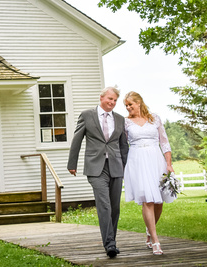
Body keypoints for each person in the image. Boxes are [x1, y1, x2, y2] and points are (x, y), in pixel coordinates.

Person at [67, 86, 129, 258]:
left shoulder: (119, 119)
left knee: (115, 208)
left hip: (116, 166)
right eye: (110, 99)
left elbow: (123, 145)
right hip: (96, 168)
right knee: (104, 205)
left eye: (115, 100)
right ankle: (110, 244)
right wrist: (72, 163)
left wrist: (126, 166)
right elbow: (77, 140)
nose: (112, 102)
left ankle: (111, 240)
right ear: (101, 98)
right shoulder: (87, 115)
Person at [123, 91, 175, 256]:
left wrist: (169, 164)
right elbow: (123, 145)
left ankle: (149, 230)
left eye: (130, 104)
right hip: (137, 161)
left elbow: (164, 142)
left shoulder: (155, 118)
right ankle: (155, 240)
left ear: (139, 103)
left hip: (156, 160)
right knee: (148, 199)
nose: (128, 108)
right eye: (126, 105)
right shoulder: (125, 123)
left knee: (159, 201)